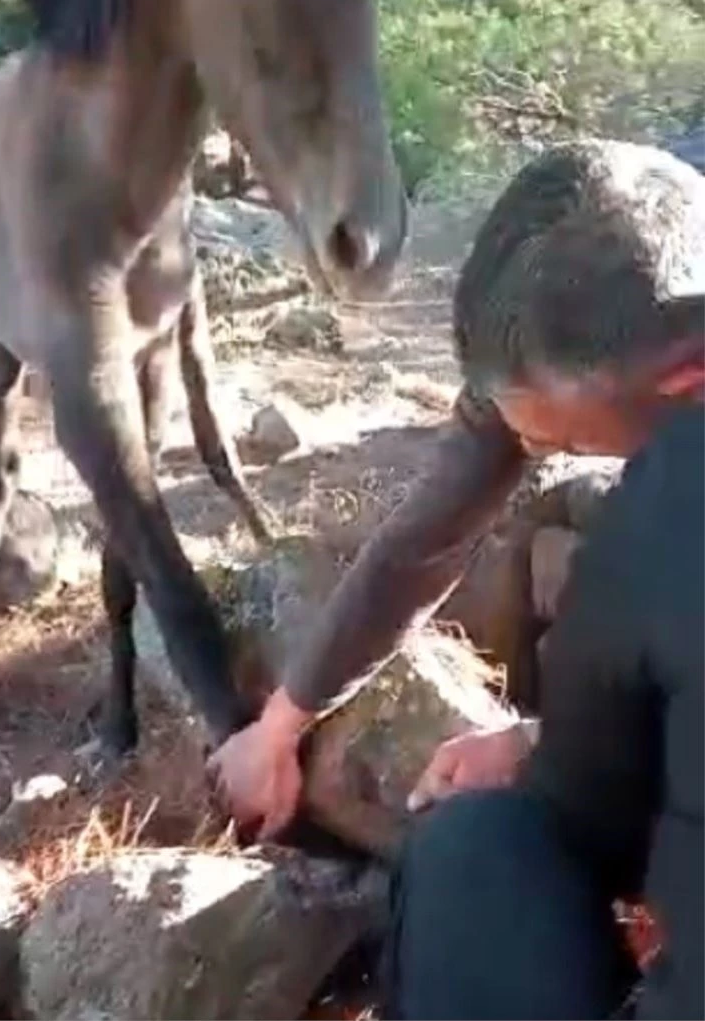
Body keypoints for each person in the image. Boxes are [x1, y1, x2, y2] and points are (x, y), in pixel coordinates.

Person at [209, 137, 704, 1017]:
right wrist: (280, 726)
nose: (534, 450)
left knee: (472, 849)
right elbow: (424, 539)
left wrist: (549, 757)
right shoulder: (622, 335)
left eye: (564, 441)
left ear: (685, 380)